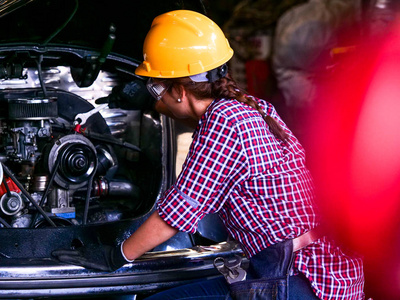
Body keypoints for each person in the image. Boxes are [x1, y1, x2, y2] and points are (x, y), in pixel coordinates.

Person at [52, 10, 365, 300]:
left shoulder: (223, 121)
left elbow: (180, 210)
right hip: (324, 271)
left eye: (157, 92)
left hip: (299, 279)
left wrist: (115, 256)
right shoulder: (251, 108)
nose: (157, 104)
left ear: (179, 91)